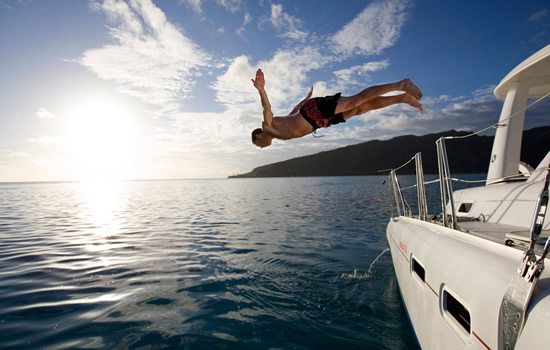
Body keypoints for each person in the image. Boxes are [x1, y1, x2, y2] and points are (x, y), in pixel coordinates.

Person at [250, 68, 423, 148]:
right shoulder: (278, 131)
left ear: (258, 135)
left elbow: (267, 109)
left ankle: (401, 85)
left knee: (356, 101)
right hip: (320, 121)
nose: (260, 146)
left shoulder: (267, 126)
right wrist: (304, 99)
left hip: (314, 110)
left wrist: (262, 90)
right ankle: (402, 98)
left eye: (257, 144)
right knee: (360, 109)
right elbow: (293, 113)